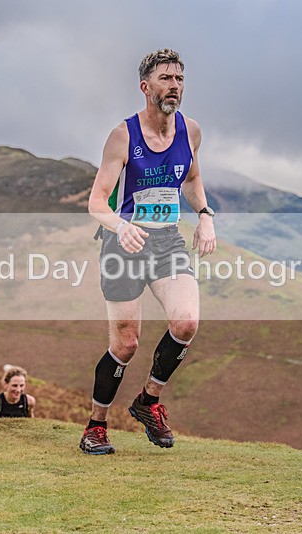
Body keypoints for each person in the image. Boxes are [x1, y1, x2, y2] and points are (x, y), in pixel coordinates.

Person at [79, 49, 216, 454]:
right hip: (124, 243)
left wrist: (205, 214)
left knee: (187, 322)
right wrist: (121, 227)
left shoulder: (191, 131)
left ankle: (148, 401)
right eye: (165, 79)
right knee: (126, 344)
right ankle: (95, 427)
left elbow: (191, 178)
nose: (174, 85)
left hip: (167, 240)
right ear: (146, 87)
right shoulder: (124, 136)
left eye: (179, 78)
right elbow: (96, 202)